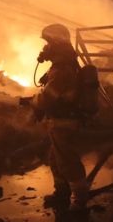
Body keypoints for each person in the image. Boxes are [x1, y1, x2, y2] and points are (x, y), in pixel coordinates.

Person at [27, 23, 90, 211]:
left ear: (56, 42)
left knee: (67, 159)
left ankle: (80, 199)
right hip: (59, 119)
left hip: (65, 120)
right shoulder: (61, 65)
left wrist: (33, 102)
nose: (45, 47)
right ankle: (61, 192)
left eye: (48, 43)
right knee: (55, 158)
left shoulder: (63, 68)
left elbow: (49, 96)